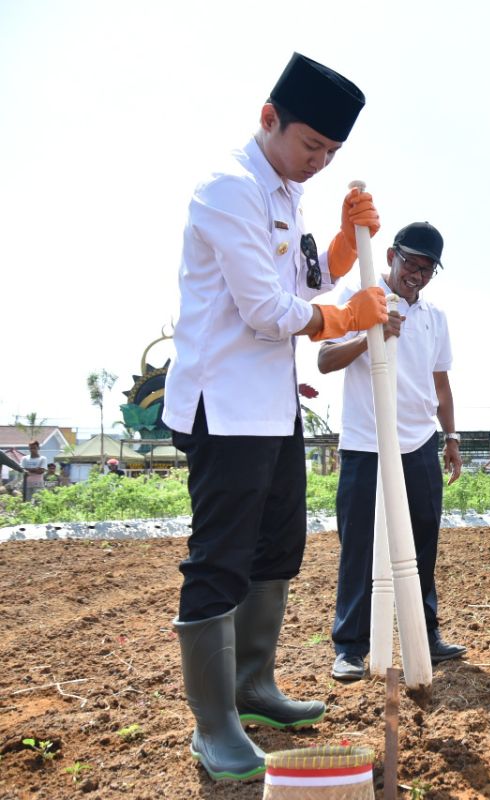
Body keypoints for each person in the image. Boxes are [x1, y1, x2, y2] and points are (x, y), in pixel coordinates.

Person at [162, 52, 387, 781]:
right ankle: (214, 723)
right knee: (220, 556)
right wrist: (344, 312)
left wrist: (347, 248)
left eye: (332, 152)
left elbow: (303, 278)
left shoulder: (284, 189)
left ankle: (253, 685)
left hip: (269, 407)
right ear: (269, 118)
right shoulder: (228, 189)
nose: (319, 162)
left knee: (279, 544)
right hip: (221, 404)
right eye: (310, 145)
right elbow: (267, 310)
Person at [319, 221, 467, 682]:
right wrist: (371, 333)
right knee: (360, 545)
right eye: (410, 264)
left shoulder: (434, 318)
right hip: (367, 444)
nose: (416, 275)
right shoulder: (357, 296)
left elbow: (440, 384)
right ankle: (349, 647)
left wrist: (451, 437)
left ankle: (426, 634)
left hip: (420, 444)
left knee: (423, 542)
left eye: (427, 269)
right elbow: (325, 360)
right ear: (390, 256)